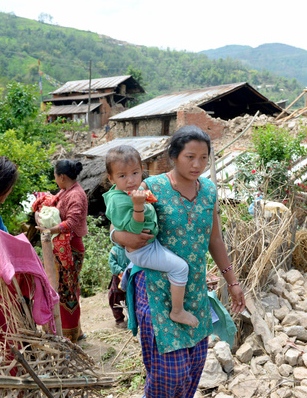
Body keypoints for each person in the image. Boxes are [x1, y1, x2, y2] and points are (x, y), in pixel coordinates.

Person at [113, 126, 246, 397]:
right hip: (155, 289)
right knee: (169, 372)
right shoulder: (152, 187)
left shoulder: (208, 190)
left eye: (204, 157)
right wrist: (120, 236)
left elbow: (215, 239)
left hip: (193, 288)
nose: (197, 164)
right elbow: (118, 222)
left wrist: (232, 282)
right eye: (190, 157)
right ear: (174, 156)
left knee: (193, 367)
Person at [103, 145, 198, 328]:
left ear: (141, 170)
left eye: (135, 173)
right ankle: (177, 311)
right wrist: (139, 206)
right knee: (180, 268)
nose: (131, 180)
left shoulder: (130, 192)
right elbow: (135, 228)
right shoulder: (120, 200)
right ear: (111, 178)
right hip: (143, 250)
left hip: (148, 247)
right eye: (122, 176)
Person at [35, 159, 88, 342]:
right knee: (67, 289)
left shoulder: (76, 195)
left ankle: (70, 337)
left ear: (62, 177)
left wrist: (49, 230)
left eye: (56, 176)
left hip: (71, 249)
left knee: (68, 293)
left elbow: (71, 223)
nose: (55, 180)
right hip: (64, 247)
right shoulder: (66, 191)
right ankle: (75, 331)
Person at [108, 245, 129, 328]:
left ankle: (132, 318)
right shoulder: (114, 250)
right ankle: (119, 319)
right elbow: (112, 263)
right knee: (116, 298)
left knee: (131, 297)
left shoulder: (131, 246)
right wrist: (119, 271)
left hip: (130, 275)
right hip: (118, 277)